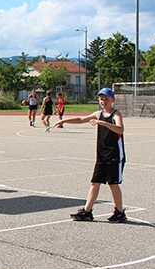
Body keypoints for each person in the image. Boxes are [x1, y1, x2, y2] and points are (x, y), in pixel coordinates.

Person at [54, 87, 127, 223]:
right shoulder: (98, 113)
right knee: (95, 182)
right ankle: (87, 211)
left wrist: (102, 123)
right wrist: (64, 121)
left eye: (106, 99)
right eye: (101, 99)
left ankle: (120, 212)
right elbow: (81, 119)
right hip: (102, 155)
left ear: (112, 100)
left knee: (113, 183)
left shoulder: (116, 114)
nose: (103, 102)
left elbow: (120, 129)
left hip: (114, 155)